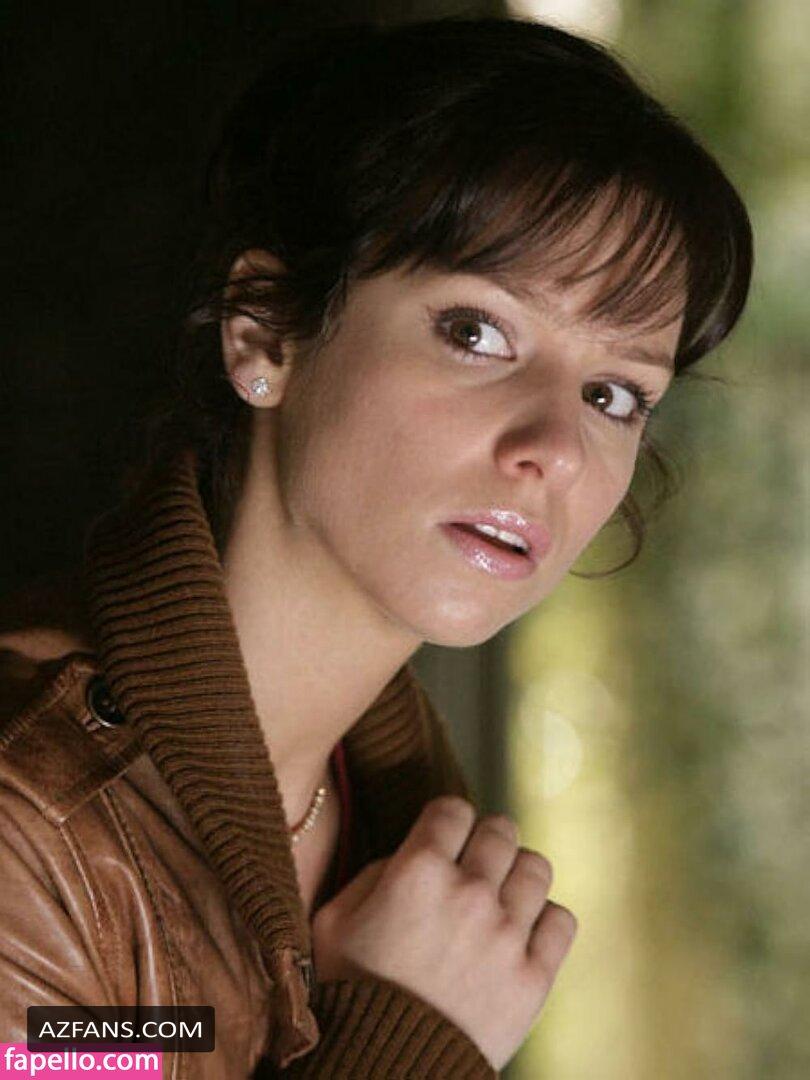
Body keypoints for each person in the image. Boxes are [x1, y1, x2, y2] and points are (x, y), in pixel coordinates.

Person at [0, 15, 752, 1078]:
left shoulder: (405, 825)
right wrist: (407, 1036)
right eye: (477, 332)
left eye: (614, 394)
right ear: (266, 332)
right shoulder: (31, 824)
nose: (555, 448)